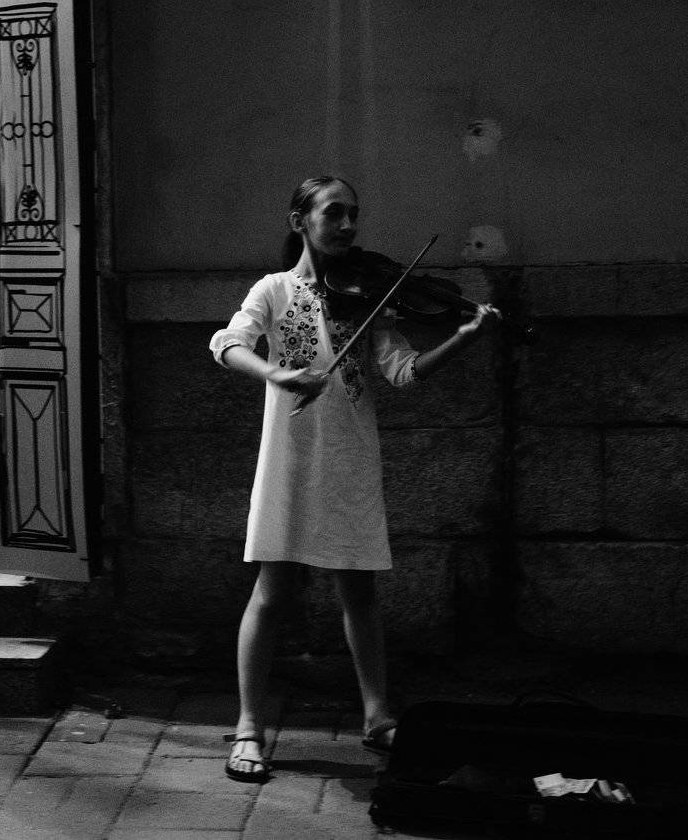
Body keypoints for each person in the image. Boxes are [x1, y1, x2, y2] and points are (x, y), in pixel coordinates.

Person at [208, 175, 499, 784]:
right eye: (333, 213)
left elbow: (404, 371)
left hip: (349, 458)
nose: (347, 226)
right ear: (300, 221)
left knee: (360, 594)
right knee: (273, 593)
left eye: (353, 215)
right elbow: (228, 344)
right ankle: (249, 727)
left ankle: (377, 717)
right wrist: (277, 375)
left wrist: (462, 338)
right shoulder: (274, 290)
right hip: (290, 456)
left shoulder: (368, 296)